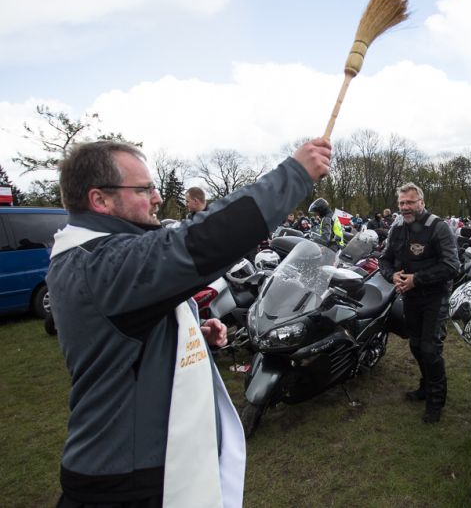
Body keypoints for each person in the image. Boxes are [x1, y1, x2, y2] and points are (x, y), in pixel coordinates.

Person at [48, 138, 330, 507]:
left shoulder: (92, 256)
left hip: (138, 466)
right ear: (99, 200)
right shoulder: (101, 263)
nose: (156, 198)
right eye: (143, 188)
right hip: (127, 482)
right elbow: (201, 242)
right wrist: (294, 174)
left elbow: (128, 339)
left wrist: (187, 335)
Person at [378, 182, 459, 423]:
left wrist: (417, 279)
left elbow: (451, 265)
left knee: (430, 349)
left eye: (410, 202)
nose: (405, 207)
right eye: (402, 203)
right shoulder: (397, 228)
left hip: (435, 296)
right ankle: (426, 387)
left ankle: (436, 401)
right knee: (415, 345)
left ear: (421, 202)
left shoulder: (438, 227)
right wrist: (392, 275)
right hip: (410, 295)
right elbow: (384, 260)